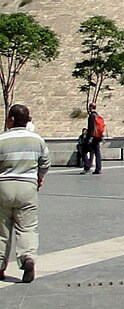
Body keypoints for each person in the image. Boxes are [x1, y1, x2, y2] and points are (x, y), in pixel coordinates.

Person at [0, 104, 49, 283]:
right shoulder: (37, 140)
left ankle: (0, 266)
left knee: (2, 230)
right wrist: (39, 178)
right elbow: (45, 163)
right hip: (28, 186)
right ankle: (27, 258)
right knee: (27, 227)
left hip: (3, 186)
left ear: (11, 120)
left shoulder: (1, 139)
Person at [81, 102, 103, 175]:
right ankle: (98, 169)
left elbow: (91, 128)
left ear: (90, 107)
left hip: (92, 137)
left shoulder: (92, 116)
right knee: (97, 153)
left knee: (83, 150)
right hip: (97, 137)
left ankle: (87, 167)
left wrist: (89, 138)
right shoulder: (97, 115)